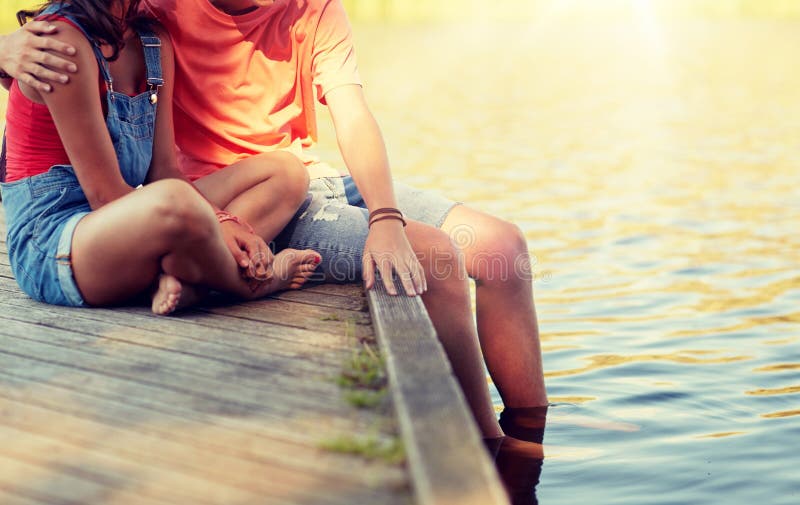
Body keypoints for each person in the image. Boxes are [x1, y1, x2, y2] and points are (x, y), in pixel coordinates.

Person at [0, 0, 549, 446]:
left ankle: (530, 432)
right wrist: (6, 46)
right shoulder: (158, 10)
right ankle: (485, 450)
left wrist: (384, 215)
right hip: (194, 207)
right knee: (433, 257)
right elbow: (68, 51)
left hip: (290, 181)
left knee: (504, 246)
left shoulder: (300, 11)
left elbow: (351, 114)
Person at [0, 0, 320, 315]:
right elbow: (105, 195)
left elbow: (164, 171)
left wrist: (223, 219)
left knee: (285, 172)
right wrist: (218, 225)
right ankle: (248, 283)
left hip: (131, 217)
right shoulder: (61, 40)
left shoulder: (151, 40)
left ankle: (186, 277)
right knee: (176, 202)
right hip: (55, 244)